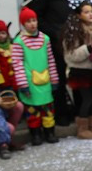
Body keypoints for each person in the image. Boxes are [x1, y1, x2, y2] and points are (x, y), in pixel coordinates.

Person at [11, 8, 60, 146]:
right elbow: (17, 64)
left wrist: (54, 79)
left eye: (34, 20)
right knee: (33, 111)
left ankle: (49, 132)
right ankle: (35, 134)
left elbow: (50, 60)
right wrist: (23, 84)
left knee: (48, 110)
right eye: (28, 21)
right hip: (29, 82)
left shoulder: (45, 39)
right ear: (23, 24)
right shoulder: (19, 41)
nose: (32, 24)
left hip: (45, 81)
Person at [61, 0, 92, 140]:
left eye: (91, 12)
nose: (90, 15)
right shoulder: (73, 32)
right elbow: (70, 55)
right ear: (79, 15)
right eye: (86, 12)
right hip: (79, 71)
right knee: (86, 99)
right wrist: (88, 49)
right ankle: (82, 128)